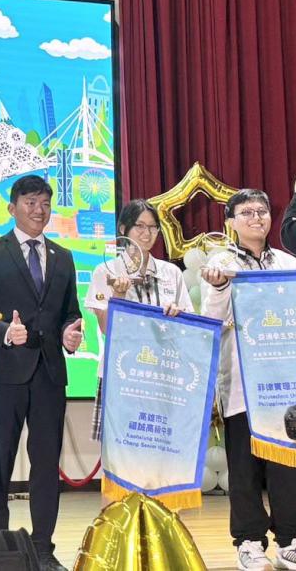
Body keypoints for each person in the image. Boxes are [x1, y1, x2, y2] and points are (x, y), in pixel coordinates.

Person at [202, 189, 296, 571]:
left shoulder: (288, 262)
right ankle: (250, 542)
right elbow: (211, 320)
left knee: (292, 467)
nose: (256, 217)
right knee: (244, 470)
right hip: (243, 385)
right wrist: (219, 288)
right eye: (246, 212)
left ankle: (292, 541)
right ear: (230, 222)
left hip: (286, 386)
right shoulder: (220, 264)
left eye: (262, 211)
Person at [0, 175, 83, 571]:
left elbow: (70, 312)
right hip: (5, 375)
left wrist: (70, 332)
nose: (39, 210)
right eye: (31, 202)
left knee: (46, 466)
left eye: (45, 203)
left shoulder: (63, 256)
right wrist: (3, 332)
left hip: (50, 373)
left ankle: (43, 549)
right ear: (12, 207)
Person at [84, 199, 190, 505]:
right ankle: (116, 526)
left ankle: (162, 524)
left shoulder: (171, 273)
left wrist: (177, 316)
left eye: (153, 228)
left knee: (163, 455)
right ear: (123, 229)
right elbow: (106, 327)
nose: (147, 234)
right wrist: (118, 294)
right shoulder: (106, 270)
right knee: (118, 458)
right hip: (123, 377)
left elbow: (189, 327)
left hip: (162, 377)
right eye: (139, 227)